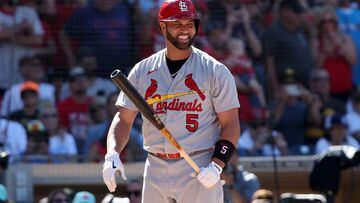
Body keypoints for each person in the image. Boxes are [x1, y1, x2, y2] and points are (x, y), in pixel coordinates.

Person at [102, 1, 240, 203]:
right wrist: (112, 153)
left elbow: (231, 124)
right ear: (162, 26)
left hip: (198, 164)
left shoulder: (215, 71)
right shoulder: (142, 70)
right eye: (177, 23)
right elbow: (123, 118)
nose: (185, 29)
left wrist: (217, 164)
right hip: (155, 165)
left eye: (189, 23)